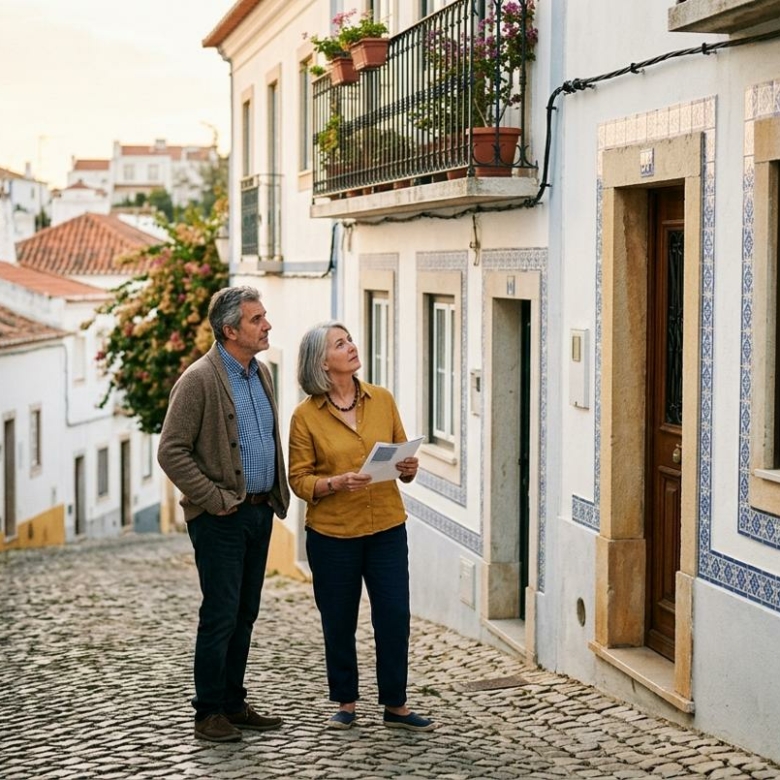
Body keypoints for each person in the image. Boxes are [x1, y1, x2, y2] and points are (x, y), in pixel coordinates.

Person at [288, 320, 435, 732]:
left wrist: (408, 468)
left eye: (350, 338)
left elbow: (403, 463)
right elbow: (298, 480)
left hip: (387, 527)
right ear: (322, 362)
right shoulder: (305, 417)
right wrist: (335, 482)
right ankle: (346, 702)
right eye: (340, 343)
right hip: (333, 535)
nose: (352, 346)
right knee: (339, 620)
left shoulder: (383, 400)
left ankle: (396, 704)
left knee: (394, 616)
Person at [158, 286, 290, 743]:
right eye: (257, 320)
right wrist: (213, 499)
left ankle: (234, 702)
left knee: (245, 611)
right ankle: (208, 711)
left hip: (258, 511)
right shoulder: (198, 380)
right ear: (230, 330)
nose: (266, 325)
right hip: (220, 517)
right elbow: (171, 451)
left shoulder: (263, 373)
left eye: (264, 317)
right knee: (220, 613)